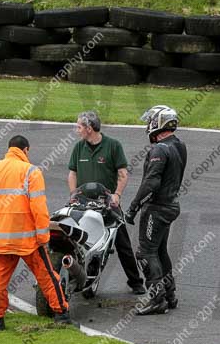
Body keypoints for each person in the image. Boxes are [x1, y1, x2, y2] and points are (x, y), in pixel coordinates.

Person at [0, 135, 72, 331]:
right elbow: (39, 209)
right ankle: (61, 314)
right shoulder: (31, 172)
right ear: (26, 150)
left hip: (0, 241)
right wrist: (44, 238)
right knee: (47, 276)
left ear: (9, 149)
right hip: (28, 242)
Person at [68, 111, 145, 295]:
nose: (77, 130)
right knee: (76, 240)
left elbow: (123, 174)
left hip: (107, 203)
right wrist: (73, 193)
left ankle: (135, 282)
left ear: (89, 128)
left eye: (79, 127)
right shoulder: (79, 148)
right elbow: (72, 173)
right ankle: (81, 278)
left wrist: (117, 194)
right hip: (83, 203)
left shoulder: (113, 146)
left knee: (123, 243)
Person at [124, 105, 187, 315]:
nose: (147, 125)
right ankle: (170, 294)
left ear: (158, 123)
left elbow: (151, 182)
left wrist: (133, 207)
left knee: (145, 252)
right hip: (170, 205)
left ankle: (157, 299)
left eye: (150, 120)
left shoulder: (159, 149)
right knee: (159, 250)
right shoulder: (179, 145)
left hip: (157, 208)